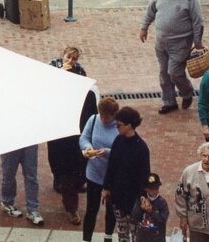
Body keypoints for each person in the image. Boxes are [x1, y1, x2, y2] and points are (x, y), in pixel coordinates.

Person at [140, 0, 204, 114]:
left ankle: (187, 92)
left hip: (180, 44)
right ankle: (169, 102)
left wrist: (198, 42)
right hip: (161, 42)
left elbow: (198, 21)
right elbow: (150, 11)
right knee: (164, 73)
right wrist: (144, 27)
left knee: (174, 72)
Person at [46, 51, 95, 226]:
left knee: (79, 174)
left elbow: (92, 119)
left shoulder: (88, 97)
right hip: (62, 145)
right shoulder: (55, 98)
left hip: (80, 142)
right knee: (67, 175)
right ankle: (71, 208)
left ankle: (70, 188)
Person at [101, 106, 150, 242]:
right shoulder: (118, 140)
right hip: (118, 198)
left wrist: (141, 200)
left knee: (135, 235)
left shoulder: (141, 148)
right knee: (122, 234)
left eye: (119, 125)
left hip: (133, 201)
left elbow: (144, 177)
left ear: (129, 125)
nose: (116, 127)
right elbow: (111, 166)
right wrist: (106, 187)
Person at [79, 96, 120, 242]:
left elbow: (121, 151)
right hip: (94, 174)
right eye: (101, 115)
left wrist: (107, 152)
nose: (103, 119)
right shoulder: (93, 120)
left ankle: (108, 236)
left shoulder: (119, 126)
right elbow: (83, 138)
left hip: (112, 176)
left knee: (111, 209)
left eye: (107, 117)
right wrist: (88, 148)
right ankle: (86, 239)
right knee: (91, 209)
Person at [0, 143, 43, 226]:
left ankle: (33, 210)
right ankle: (7, 203)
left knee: (31, 176)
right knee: (9, 175)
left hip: (29, 141)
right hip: (9, 142)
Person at [130, 173, 168, 242]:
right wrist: (141, 208)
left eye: (156, 188)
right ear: (146, 189)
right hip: (142, 238)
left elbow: (162, 220)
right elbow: (134, 217)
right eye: (151, 188)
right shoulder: (141, 200)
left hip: (157, 238)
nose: (155, 191)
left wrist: (151, 211)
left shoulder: (162, 203)